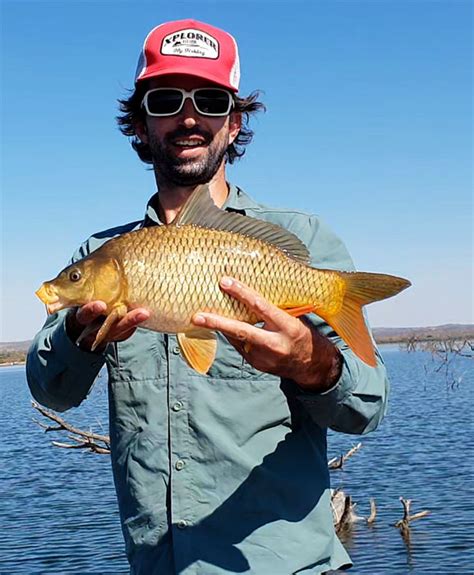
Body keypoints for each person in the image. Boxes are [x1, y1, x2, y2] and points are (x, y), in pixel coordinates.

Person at [27, 19, 389, 575]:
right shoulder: (103, 253)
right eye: (166, 100)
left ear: (233, 121)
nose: (189, 117)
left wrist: (313, 363)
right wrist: (81, 330)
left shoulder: (306, 240)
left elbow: (367, 406)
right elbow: (50, 390)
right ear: (142, 123)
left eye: (211, 100)